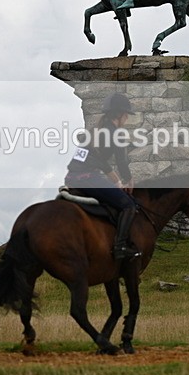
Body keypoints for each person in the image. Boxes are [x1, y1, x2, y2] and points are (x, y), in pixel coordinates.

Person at [65, 93, 141, 260]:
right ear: (120, 114)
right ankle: (120, 247)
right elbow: (121, 163)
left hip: (71, 178)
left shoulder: (95, 130)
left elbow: (93, 160)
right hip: (89, 179)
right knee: (129, 205)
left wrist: (115, 180)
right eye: (126, 114)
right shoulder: (117, 133)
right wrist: (128, 181)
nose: (127, 118)